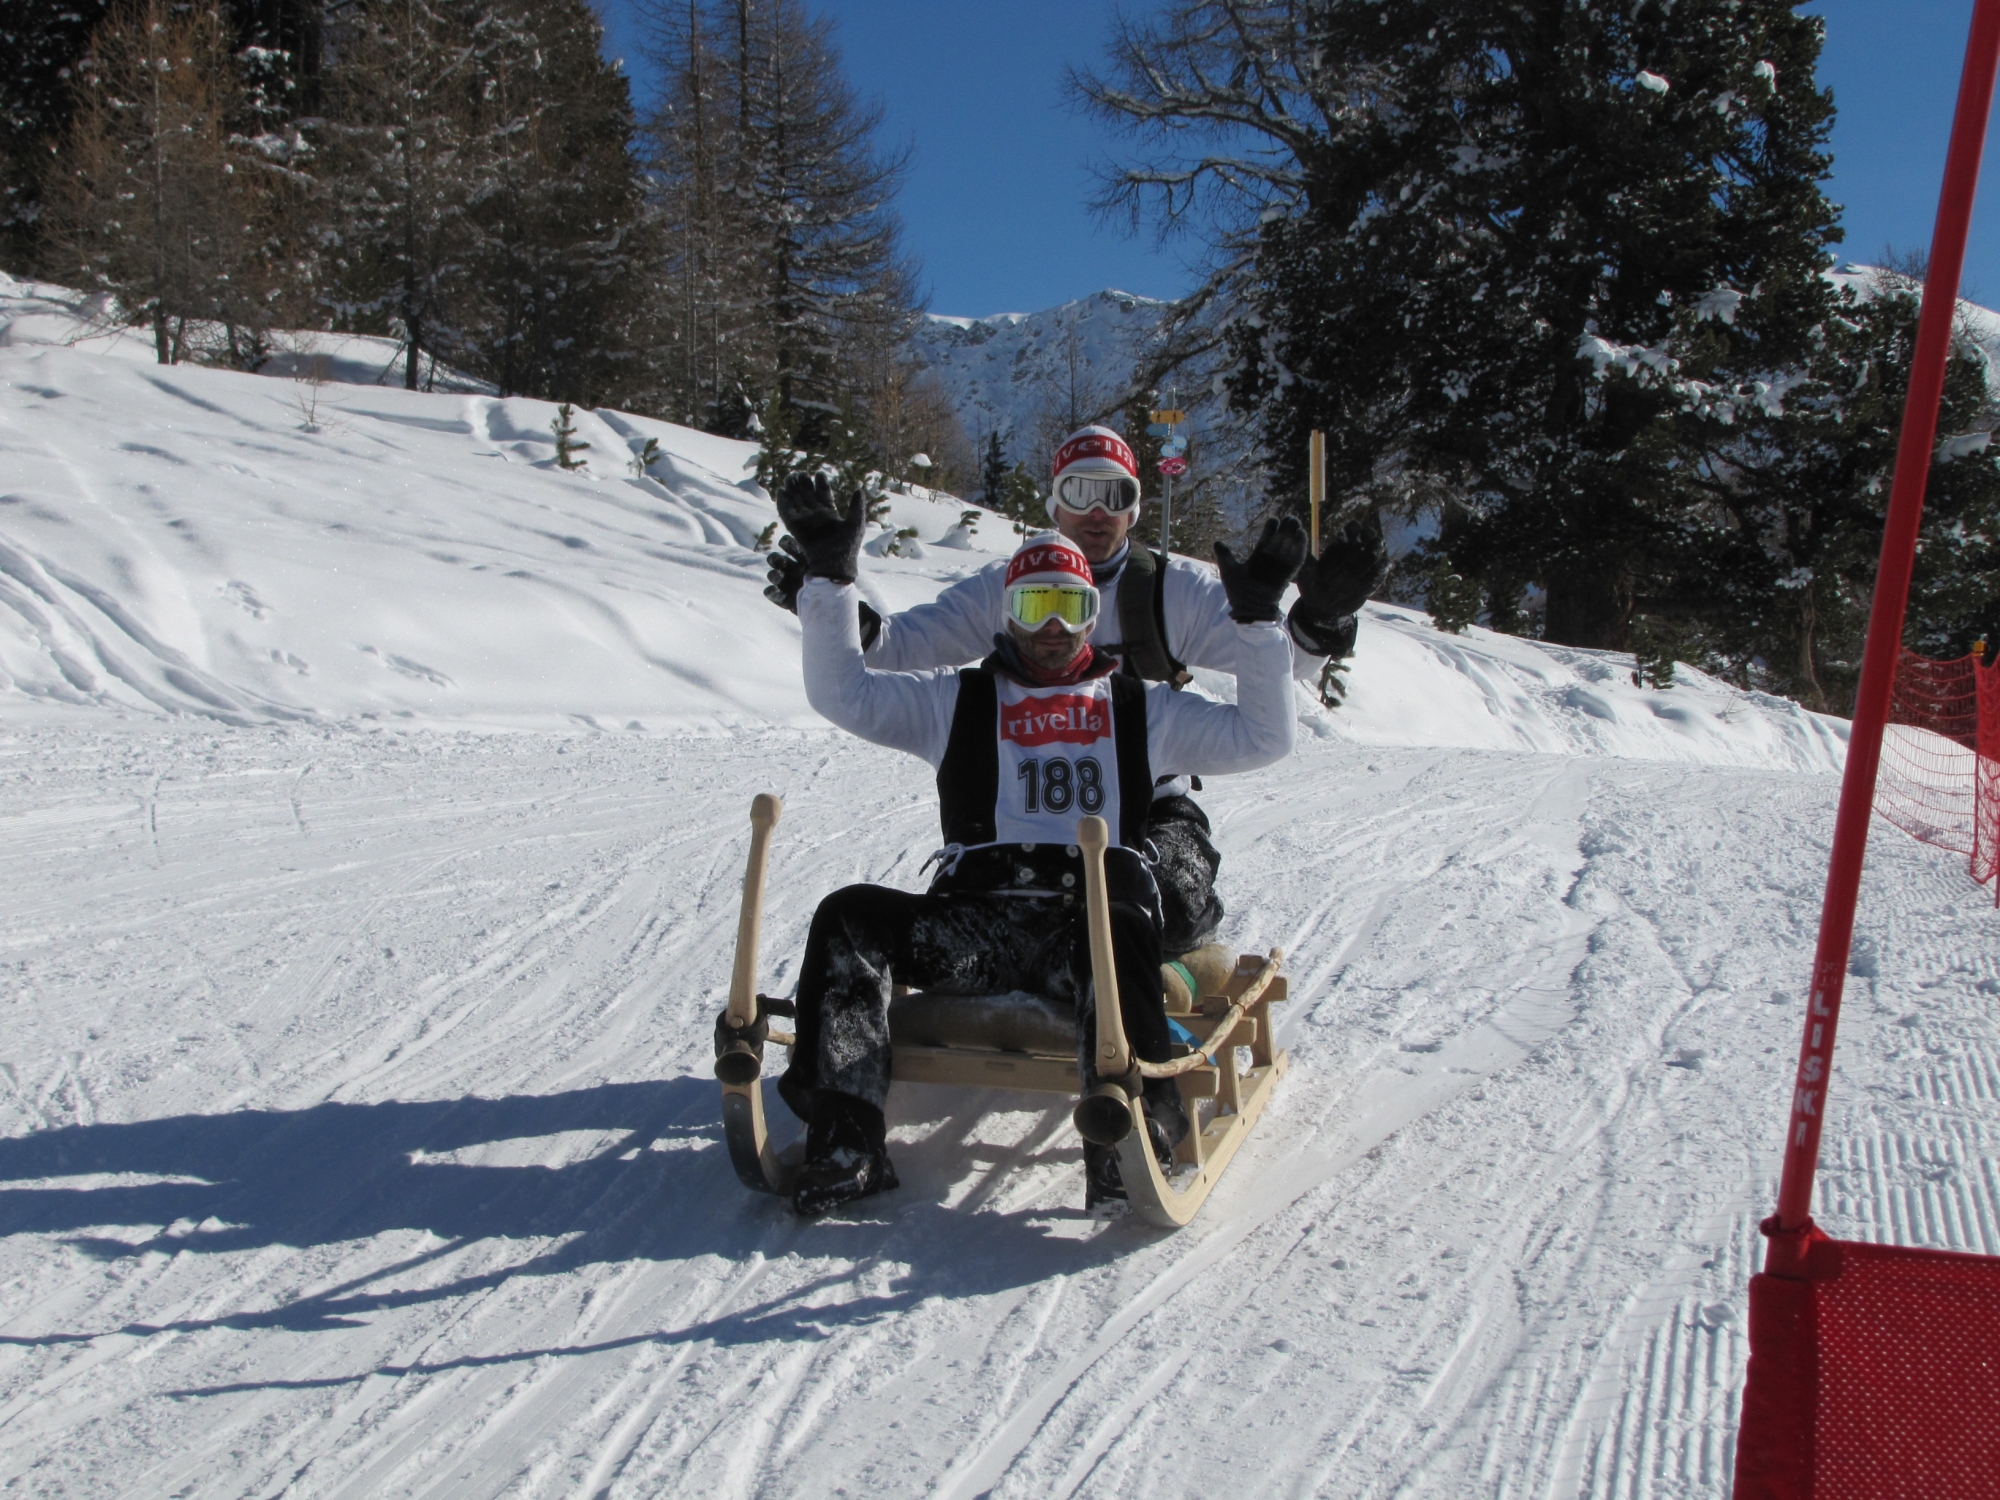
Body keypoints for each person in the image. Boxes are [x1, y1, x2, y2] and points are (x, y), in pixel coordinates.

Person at [741, 501, 1303, 1216]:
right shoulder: (958, 703)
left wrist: (1255, 625)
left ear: (1091, 612)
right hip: (979, 930)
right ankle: (846, 1137)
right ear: (1006, 613)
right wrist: (828, 584)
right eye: (1033, 604)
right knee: (850, 916)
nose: (1051, 626)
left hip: (1088, 938)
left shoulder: (1141, 709)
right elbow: (841, 693)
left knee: (1124, 889)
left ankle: (1130, 1130)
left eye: (1069, 605)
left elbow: (1264, 737)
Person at [764, 424, 1385, 956]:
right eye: (1078, 492)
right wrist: (838, 609)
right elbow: (901, 651)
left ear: (1135, 508)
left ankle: (1147, 970)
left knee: (1164, 901)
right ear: (1054, 503)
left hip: (1148, 797)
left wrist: (1314, 624)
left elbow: (1272, 674)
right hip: (1031, 794)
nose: (1096, 512)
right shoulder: (1010, 585)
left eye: (1115, 495)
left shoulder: (1174, 592)